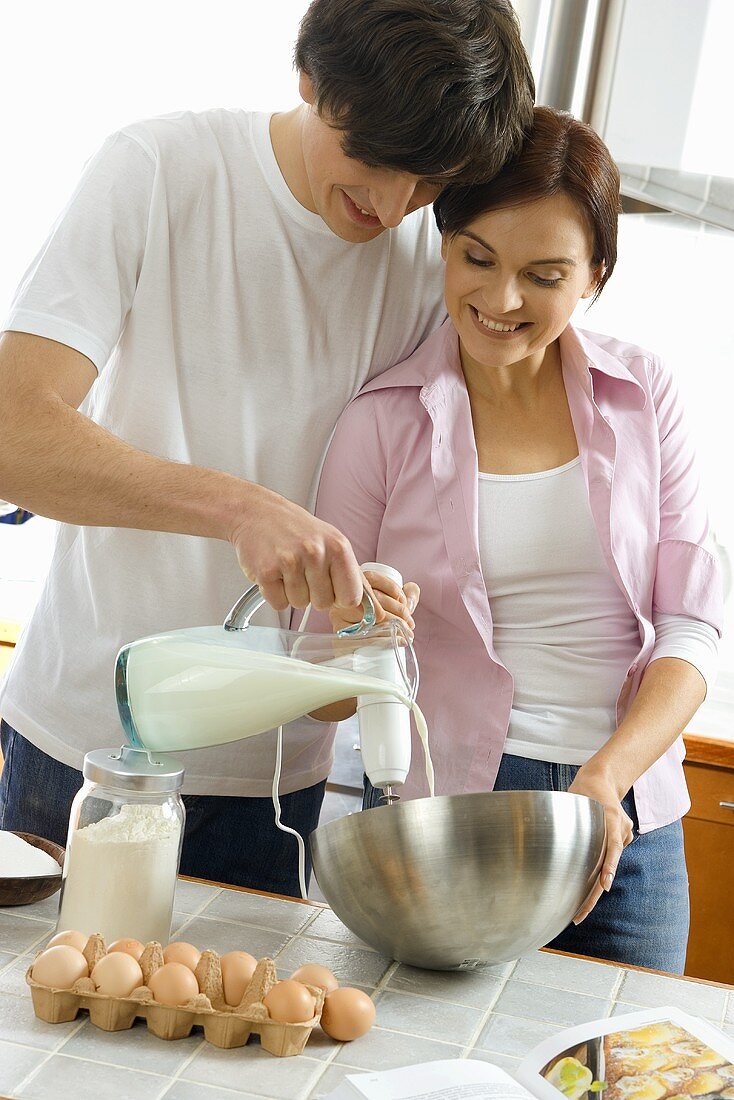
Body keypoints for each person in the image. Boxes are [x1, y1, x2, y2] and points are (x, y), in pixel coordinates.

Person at [0, 1, 534, 896]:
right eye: (374, 163)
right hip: (81, 752)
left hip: (273, 784)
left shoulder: (426, 266)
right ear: (312, 82)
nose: (396, 207)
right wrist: (241, 508)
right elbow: (14, 431)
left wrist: (383, 583)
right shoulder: (161, 170)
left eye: (430, 183)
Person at [312, 107, 724, 971]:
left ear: (595, 277)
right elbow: (320, 688)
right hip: (448, 823)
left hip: (627, 815)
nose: (500, 301)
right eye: (478, 259)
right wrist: (363, 632)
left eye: (543, 274)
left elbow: (692, 627)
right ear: (445, 243)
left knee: (627, 1068)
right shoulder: (381, 422)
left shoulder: (644, 396)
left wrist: (607, 779)